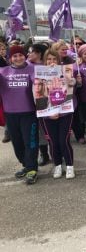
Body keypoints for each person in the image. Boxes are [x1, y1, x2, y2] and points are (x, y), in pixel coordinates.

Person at [0, 45, 38, 184]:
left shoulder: (33, 69)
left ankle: (32, 168)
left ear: (25, 56)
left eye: (20, 55)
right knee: (17, 143)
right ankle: (25, 165)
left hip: (29, 113)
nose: (18, 58)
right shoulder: (3, 72)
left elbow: (42, 84)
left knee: (30, 142)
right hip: (10, 113)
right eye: (15, 56)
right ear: (10, 58)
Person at [40, 48, 79, 179]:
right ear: (45, 61)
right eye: (49, 59)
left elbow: (73, 85)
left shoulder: (65, 71)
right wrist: (48, 113)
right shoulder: (39, 74)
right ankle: (57, 165)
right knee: (53, 142)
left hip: (65, 113)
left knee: (63, 140)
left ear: (58, 60)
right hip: (48, 114)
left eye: (54, 59)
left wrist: (72, 79)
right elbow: (38, 96)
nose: (51, 62)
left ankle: (69, 166)